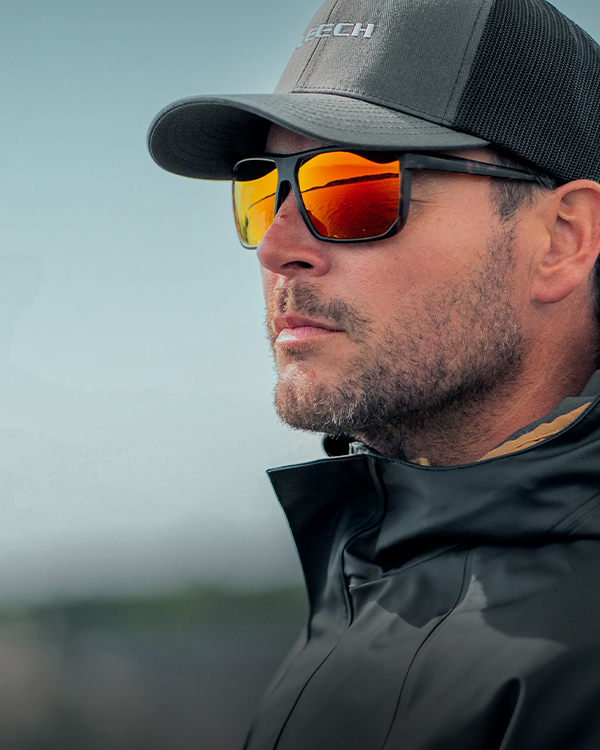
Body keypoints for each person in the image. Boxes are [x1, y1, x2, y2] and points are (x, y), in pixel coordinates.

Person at [147, 0, 600, 747]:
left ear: (561, 238)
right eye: (264, 191)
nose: (277, 247)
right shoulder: (371, 576)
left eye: (354, 188)